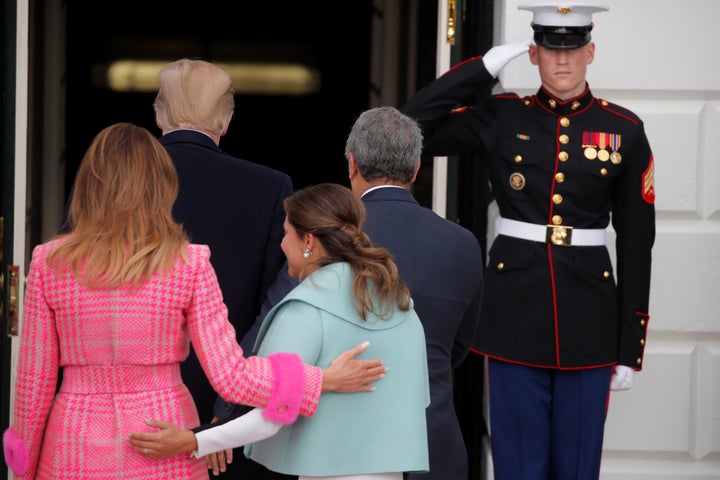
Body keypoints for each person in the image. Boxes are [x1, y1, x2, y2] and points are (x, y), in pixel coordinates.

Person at [1, 123, 386, 480]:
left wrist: (23, 468)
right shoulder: (188, 263)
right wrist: (319, 381)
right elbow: (232, 376)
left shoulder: (50, 263)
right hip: (162, 437)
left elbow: (33, 387)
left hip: (73, 444)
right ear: (160, 185)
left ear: (88, 184)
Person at [400, 3, 655, 480]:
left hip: (590, 323)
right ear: (534, 55)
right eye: (551, 49)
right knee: (517, 468)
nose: (563, 60)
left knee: (577, 469)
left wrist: (629, 346)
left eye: (574, 48)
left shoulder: (624, 131)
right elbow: (409, 130)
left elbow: (638, 245)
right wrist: (482, 69)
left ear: (591, 52)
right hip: (513, 316)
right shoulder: (502, 116)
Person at [128, 182, 431, 480]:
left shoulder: (306, 308)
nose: (282, 243)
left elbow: (271, 415)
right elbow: (417, 400)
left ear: (309, 241)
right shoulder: (399, 303)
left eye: (286, 233)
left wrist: (193, 441)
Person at [153, 58, 296, 478]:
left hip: (127, 404)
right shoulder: (270, 187)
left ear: (159, 113)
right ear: (227, 120)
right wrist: (230, 412)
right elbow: (276, 306)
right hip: (230, 400)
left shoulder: (106, 179)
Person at [345, 106, 484, 480]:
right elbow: (458, 345)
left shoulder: (334, 239)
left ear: (352, 165)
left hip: (351, 444)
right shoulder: (463, 243)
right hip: (435, 444)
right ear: (417, 167)